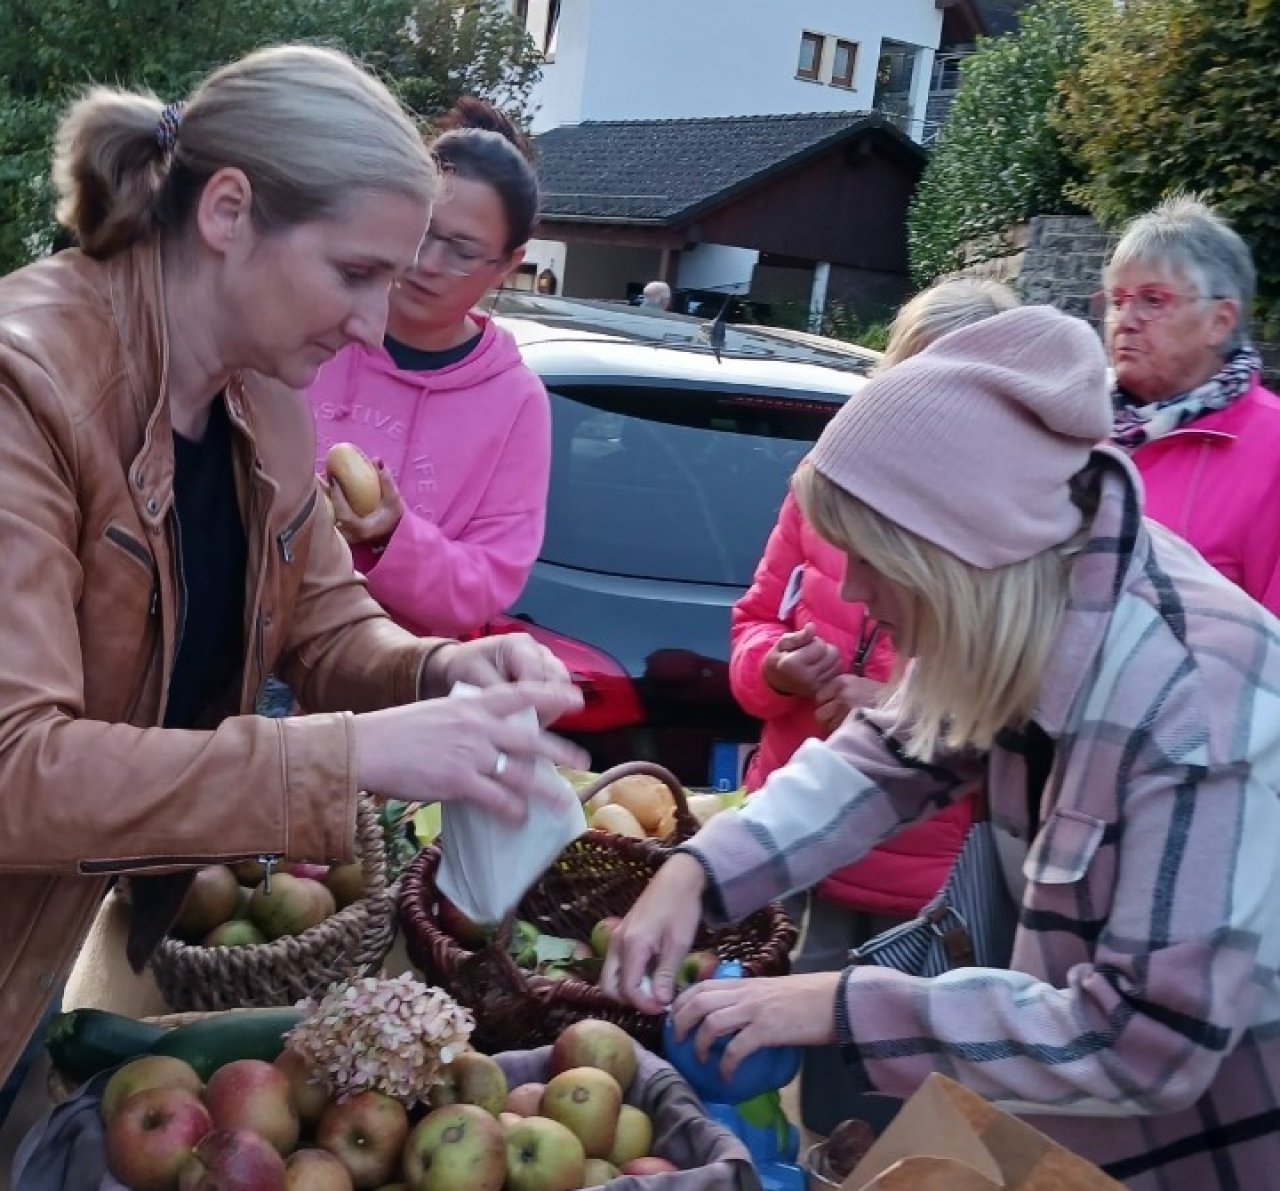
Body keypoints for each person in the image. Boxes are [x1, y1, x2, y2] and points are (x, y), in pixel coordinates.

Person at [0, 47, 588, 1105]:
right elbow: (15, 769)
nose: (373, 322)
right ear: (228, 211)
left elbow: (325, 622)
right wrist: (351, 753)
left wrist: (441, 673)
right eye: (355, 273)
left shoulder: (261, 396)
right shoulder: (25, 389)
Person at [603, 305, 1280, 1187]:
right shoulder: (1032, 588)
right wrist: (699, 870)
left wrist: (842, 1003)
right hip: (1069, 1139)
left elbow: (1147, 1043)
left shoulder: (1196, 711)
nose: (852, 589)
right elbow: (891, 751)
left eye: (872, 558)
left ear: (954, 555)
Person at [729, 278, 1016, 1134]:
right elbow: (751, 629)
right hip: (790, 840)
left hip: (917, 881)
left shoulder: (1004, 534)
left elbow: (1021, 725)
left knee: (865, 1116)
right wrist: (776, 667)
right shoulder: (821, 491)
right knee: (752, 1086)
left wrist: (894, 708)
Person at [308, 97, 549, 638]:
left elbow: (484, 586)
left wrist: (393, 536)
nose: (428, 263)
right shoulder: (315, 327)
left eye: (462, 251)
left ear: (508, 264)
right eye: (422, 232)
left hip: (387, 672)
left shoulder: (515, 402)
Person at [1100, 195, 1280, 613]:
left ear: (1220, 321)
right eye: (1118, 300)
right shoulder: (1075, 430)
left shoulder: (1272, 448)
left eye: (1153, 300)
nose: (1125, 320)